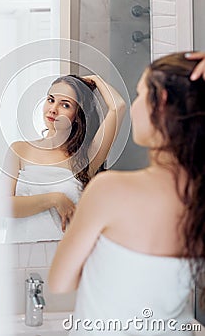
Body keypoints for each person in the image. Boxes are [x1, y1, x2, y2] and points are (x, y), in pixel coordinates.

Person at [49, 52, 205, 334]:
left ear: (162, 102)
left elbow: (60, 282)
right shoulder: (200, 197)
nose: (133, 107)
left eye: (139, 93)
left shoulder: (109, 190)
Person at [0, 74, 126, 241]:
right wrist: (53, 199)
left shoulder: (86, 158)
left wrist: (96, 80)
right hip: (21, 258)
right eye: (51, 100)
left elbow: (118, 106)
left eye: (65, 104)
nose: (53, 109)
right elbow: (2, 206)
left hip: (62, 257)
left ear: (77, 115)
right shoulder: (20, 150)